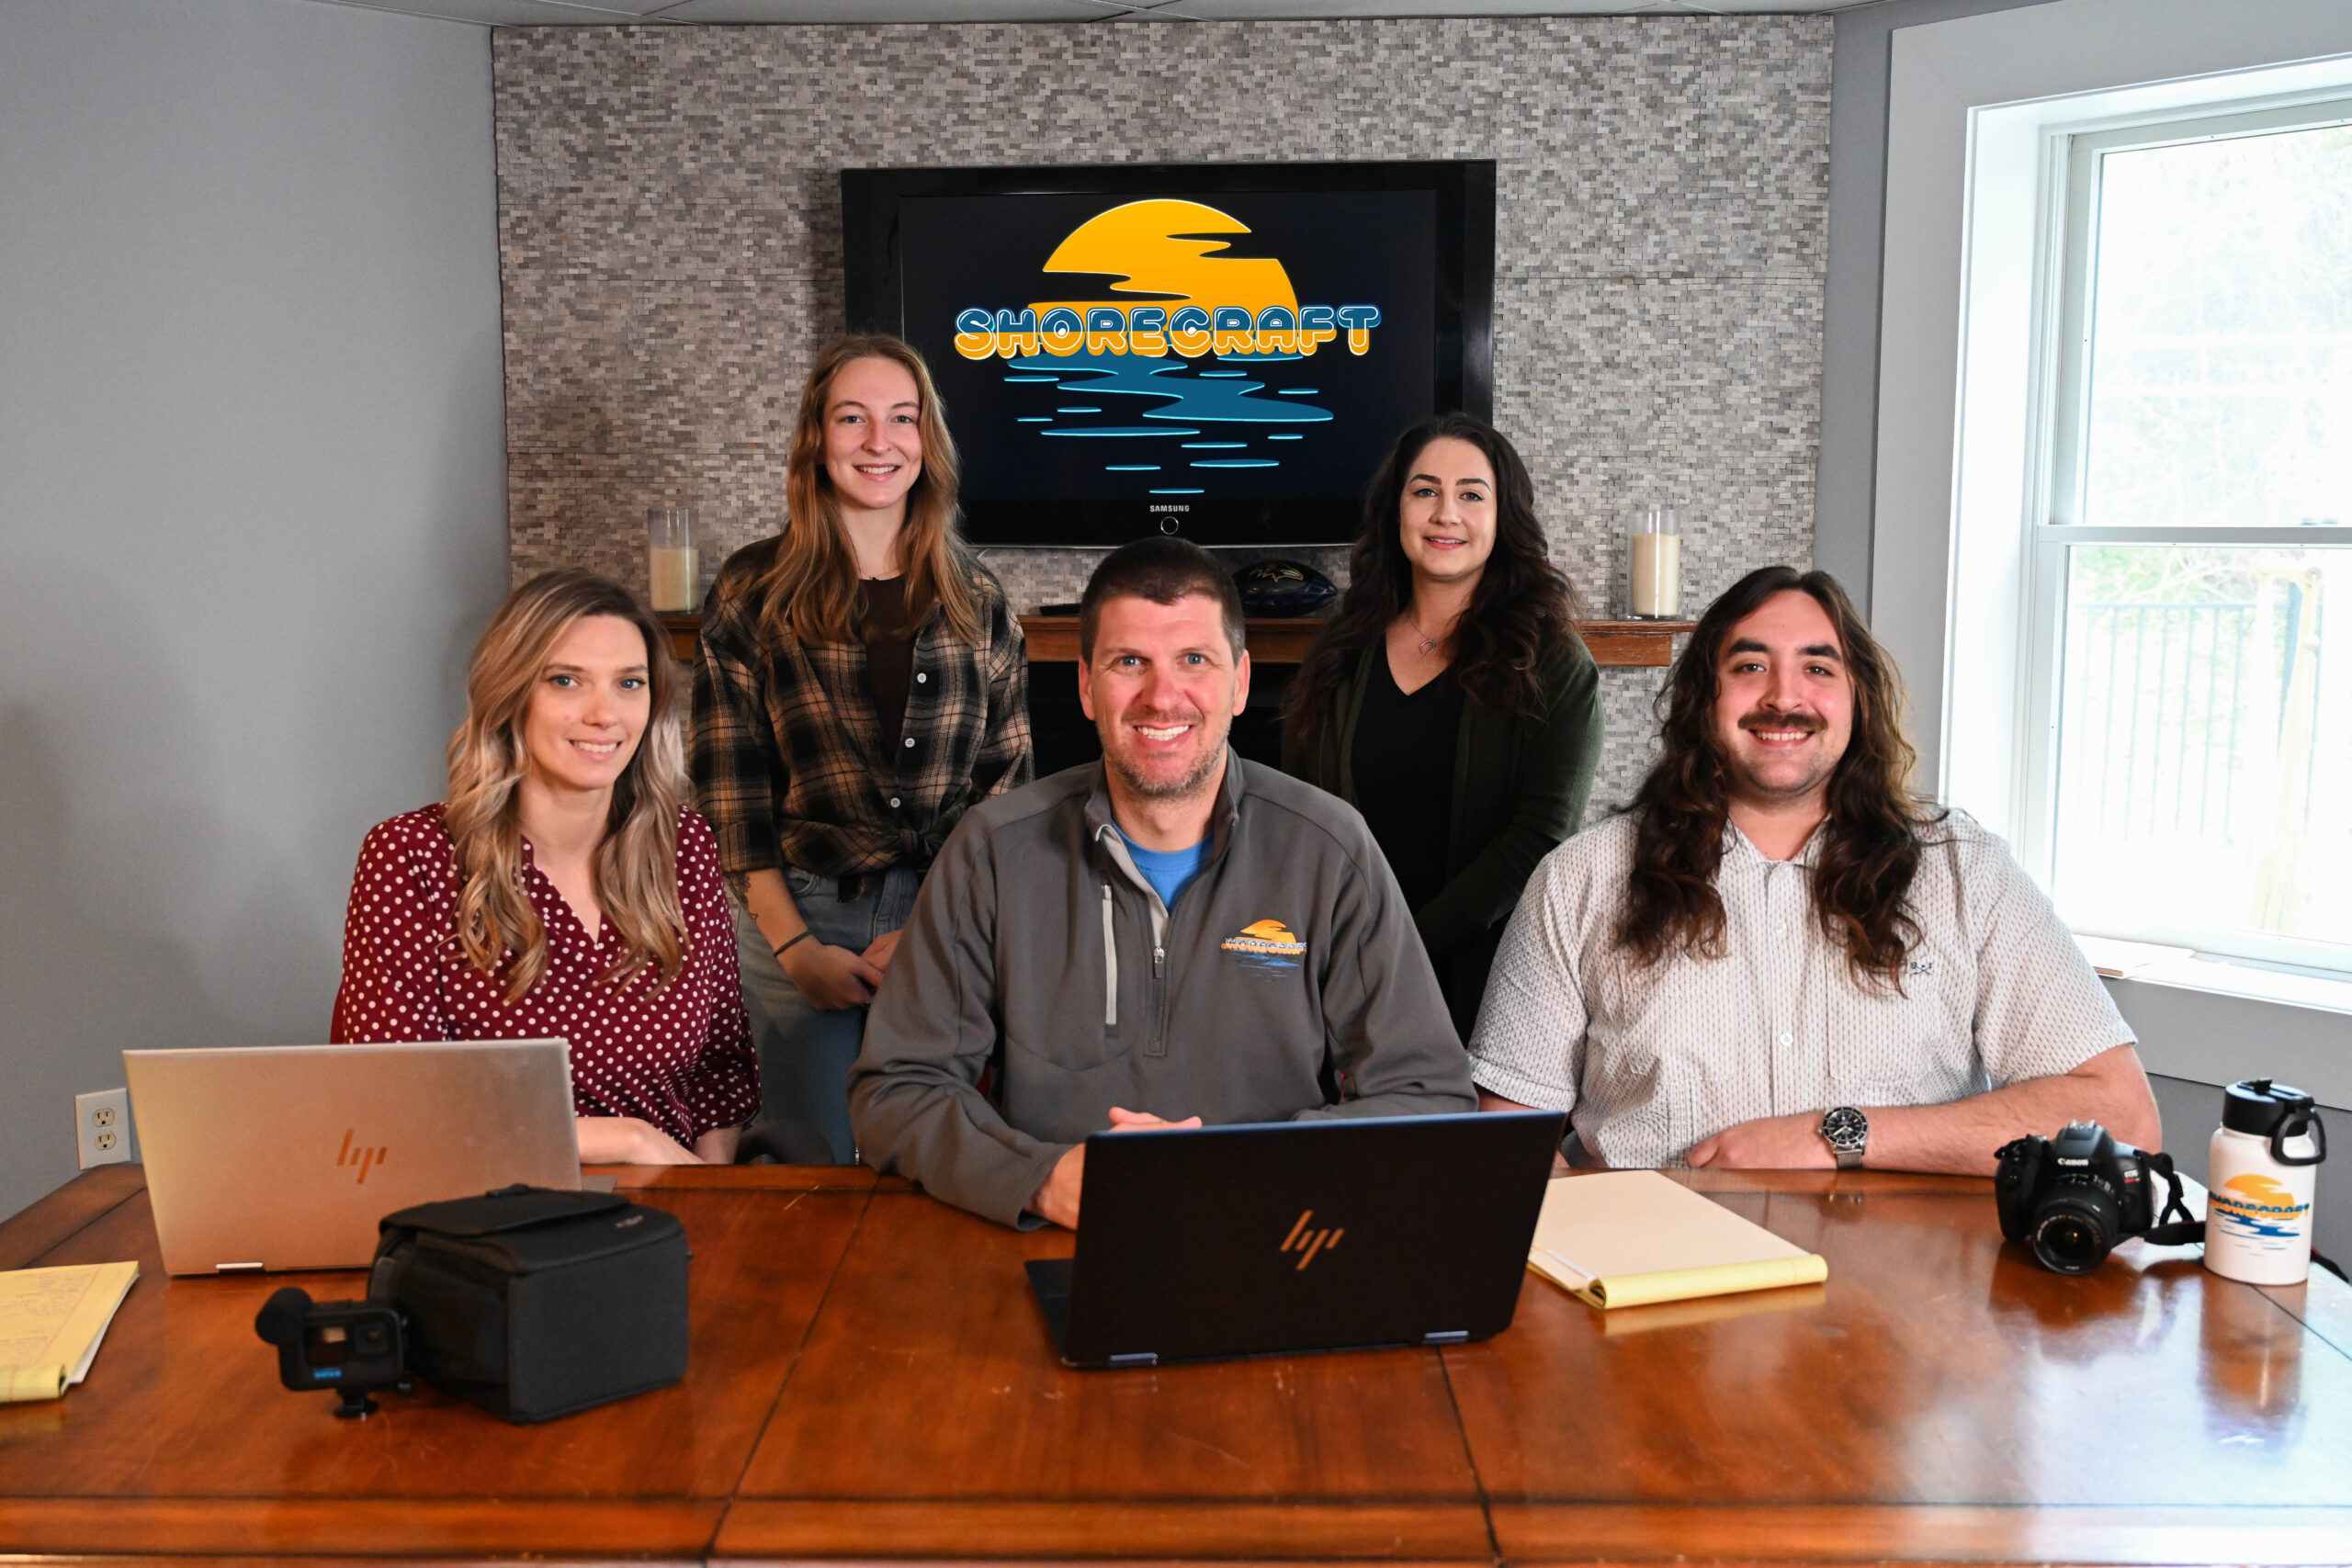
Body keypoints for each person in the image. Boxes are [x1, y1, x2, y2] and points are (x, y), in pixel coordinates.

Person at [848, 536, 1477, 1229]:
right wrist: (1038, 1178)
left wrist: (1242, 1167)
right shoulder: (992, 853)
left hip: (1269, 1234)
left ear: (1239, 682)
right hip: (1055, 1242)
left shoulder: (1329, 850)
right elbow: (896, 1088)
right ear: (1087, 686)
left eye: (1193, 661)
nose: (1161, 696)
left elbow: (1429, 1094)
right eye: (1129, 663)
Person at [1471, 564, 2160, 1174]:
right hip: (1660, 1289)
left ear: (1857, 699)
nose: (1783, 696)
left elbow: (2124, 1120)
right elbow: (1502, 1148)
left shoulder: (1966, 874)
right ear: (1702, 698)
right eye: (1749, 666)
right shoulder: (1581, 880)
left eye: (1818, 668)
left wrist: (1838, 1133)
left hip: (1909, 1299)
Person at [692, 335, 1032, 1165]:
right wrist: (798, 951)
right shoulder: (750, 591)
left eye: (901, 419)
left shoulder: (979, 597)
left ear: (928, 440)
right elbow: (730, 800)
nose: (879, 442)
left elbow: (1006, 787)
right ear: (818, 438)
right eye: (853, 418)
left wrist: (930, 923)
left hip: (948, 923)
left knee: (933, 1166)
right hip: (798, 923)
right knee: (806, 1170)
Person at [333, 570, 758, 1165]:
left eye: (629, 683)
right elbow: (394, 1102)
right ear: (511, 696)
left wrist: (713, 1212)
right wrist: (628, 1140)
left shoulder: (683, 844)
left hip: (669, 1214)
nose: (604, 713)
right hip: (493, 1222)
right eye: (566, 681)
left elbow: (720, 1072)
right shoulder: (412, 857)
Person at [1283, 412, 1603, 1039]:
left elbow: (1539, 839)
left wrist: (1400, 947)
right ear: (1395, 511)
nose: (1445, 513)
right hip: (1339, 981)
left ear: (1504, 518)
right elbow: (1298, 816)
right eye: (1425, 491)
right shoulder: (1340, 650)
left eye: (1471, 495)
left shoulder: (1557, 663)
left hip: (1490, 989)